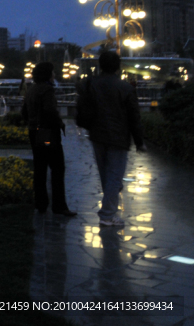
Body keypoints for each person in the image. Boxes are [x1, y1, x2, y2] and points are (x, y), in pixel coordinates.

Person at [76, 51, 145, 227]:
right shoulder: (126, 88)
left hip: (97, 134)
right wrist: (139, 141)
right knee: (114, 175)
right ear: (118, 66)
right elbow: (134, 117)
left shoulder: (91, 84)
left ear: (100, 65)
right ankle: (107, 215)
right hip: (118, 136)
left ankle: (110, 202)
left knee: (106, 174)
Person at [21, 62, 75, 216]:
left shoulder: (31, 90)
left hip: (34, 131)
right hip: (46, 132)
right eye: (53, 72)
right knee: (57, 168)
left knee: (40, 168)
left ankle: (41, 203)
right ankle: (59, 206)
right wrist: (59, 123)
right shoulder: (47, 90)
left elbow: (24, 112)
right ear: (48, 74)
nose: (54, 75)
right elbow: (50, 110)